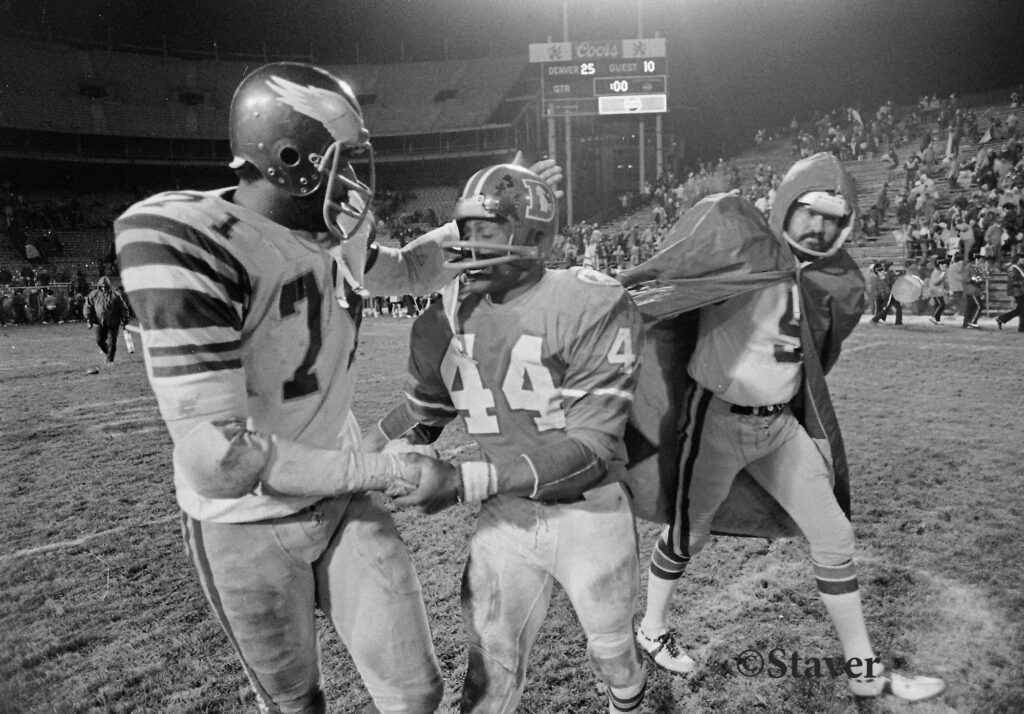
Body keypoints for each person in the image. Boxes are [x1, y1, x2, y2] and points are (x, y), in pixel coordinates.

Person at [115, 61, 564, 714]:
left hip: (343, 495)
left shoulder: (343, 217)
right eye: (340, 157)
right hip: (247, 522)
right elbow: (220, 460)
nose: (354, 176)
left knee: (414, 692)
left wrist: (482, 224)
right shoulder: (191, 237)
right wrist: (382, 465)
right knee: (297, 705)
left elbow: (405, 273)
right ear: (290, 156)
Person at [619, 153, 946, 703]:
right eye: (811, 212)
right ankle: (650, 629)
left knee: (835, 535)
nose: (820, 227)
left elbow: (818, 357)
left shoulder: (836, 279)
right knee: (688, 534)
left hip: (778, 429)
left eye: (833, 219)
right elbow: (664, 284)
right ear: (786, 206)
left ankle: (864, 671)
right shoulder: (736, 250)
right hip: (716, 422)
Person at [367, 163, 649, 713]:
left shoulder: (587, 300)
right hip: (507, 514)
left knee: (613, 651)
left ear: (534, 235)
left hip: (589, 512)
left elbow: (592, 450)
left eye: (486, 230)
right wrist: (367, 445)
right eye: (464, 230)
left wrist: (462, 480)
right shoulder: (440, 321)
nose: (468, 245)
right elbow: (425, 415)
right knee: (488, 663)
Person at [84, 276, 131, 365]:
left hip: (113, 322)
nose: (104, 288)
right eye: (102, 286)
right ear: (99, 286)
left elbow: (123, 308)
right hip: (99, 322)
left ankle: (110, 360)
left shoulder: (115, 295)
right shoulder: (94, 295)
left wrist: (125, 319)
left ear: (108, 286)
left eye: (105, 286)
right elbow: (88, 307)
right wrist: (89, 319)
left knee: (112, 342)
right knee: (99, 341)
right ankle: (108, 353)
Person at [996, 253, 1024, 331]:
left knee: (1020, 309)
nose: (1023, 260)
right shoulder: (1013, 268)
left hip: (1021, 290)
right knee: (1022, 310)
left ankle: (1001, 319)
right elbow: (1012, 281)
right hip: (1017, 291)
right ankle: (1022, 327)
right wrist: (1021, 282)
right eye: (1022, 258)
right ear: (1018, 259)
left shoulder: (1020, 267)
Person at [962, 254, 986, 328]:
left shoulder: (976, 268)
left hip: (975, 291)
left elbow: (982, 279)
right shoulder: (968, 268)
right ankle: (972, 322)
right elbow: (965, 279)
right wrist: (974, 279)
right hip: (971, 291)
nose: (980, 262)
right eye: (979, 260)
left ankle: (966, 324)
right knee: (979, 306)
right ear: (975, 260)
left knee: (970, 307)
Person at [926, 258, 949, 324]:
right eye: (944, 265)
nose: (945, 267)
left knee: (939, 305)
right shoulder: (936, 272)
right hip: (936, 292)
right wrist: (941, 277)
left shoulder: (941, 272)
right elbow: (934, 282)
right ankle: (934, 317)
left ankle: (937, 320)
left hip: (939, 291)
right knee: (941, 305)